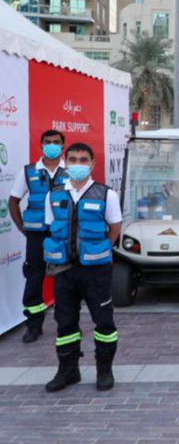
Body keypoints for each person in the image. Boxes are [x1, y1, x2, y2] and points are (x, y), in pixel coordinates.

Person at [42, 143, 122, 392]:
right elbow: (50, 225)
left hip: (96, 272)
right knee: (65, 322)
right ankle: (68, 371)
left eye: (83, 160)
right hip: (64, 270)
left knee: (104, 322)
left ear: (93, 164)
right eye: (73, 159)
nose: (78, 164)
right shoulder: (53, 194)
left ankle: (104, 371)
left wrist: (100, 251)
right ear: (66, 162)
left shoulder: (105, 194)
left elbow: (115, 227)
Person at [8, 130, 68, 343]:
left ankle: (66, 323)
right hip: (36, 236)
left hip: (62, 236)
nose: (51, 145)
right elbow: (13, 201)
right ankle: (33, 326)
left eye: (56, 143)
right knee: (33, 279)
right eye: (47, 142)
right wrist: (23, 228)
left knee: (65, 278)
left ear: (63, 145)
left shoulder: (70, 171)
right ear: (41, 145)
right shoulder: (28, 171)